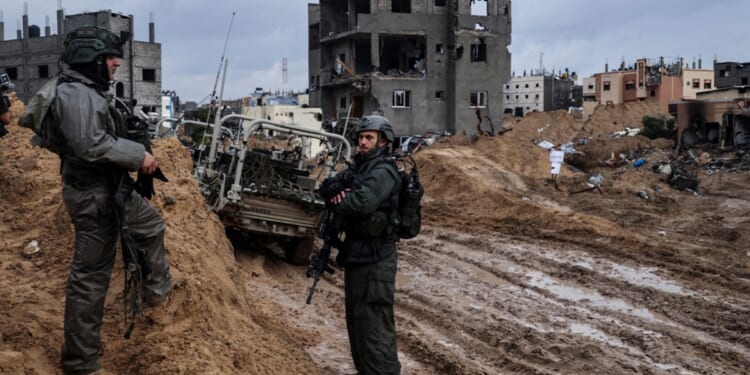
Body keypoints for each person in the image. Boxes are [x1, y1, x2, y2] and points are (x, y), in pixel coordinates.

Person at [46, 26, 172, 374]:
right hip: (93, 196)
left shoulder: (88, 91)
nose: (116, 63)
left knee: (150, 226)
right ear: (91, 58)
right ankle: (81, 363)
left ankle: (158, 297)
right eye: (110, 57)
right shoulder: (74, 94)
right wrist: (138, 157)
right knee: (90, 279)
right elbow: (91, 144)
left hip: (109, 190)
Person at [321, 115, 402, 374]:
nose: (363, 142)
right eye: (361, 137)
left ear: (383, 141)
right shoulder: (360, 168)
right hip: (358, 256)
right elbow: (327, 186)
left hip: (377, 259)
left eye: (369, 137)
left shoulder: (383, 171)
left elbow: (362, 202)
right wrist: (336, 191)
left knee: (375, 329)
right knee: (357, 323)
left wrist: (340, 199)